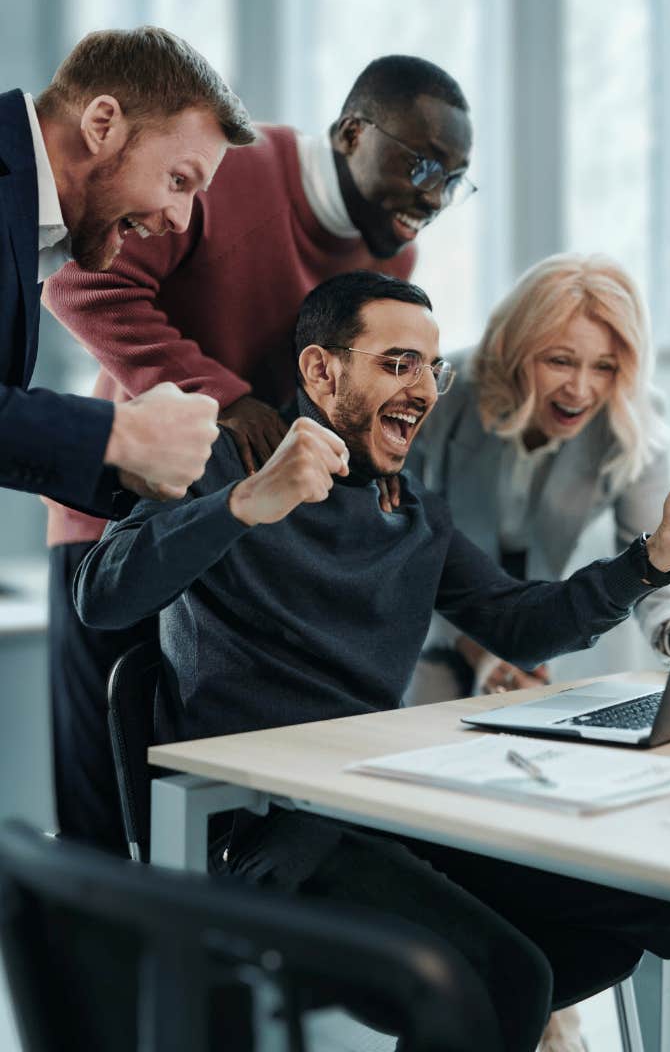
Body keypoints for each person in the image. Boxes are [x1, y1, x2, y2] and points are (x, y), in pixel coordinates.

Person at [75, 272, 670, 1052]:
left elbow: (520, 623)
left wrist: (656, 555)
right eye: (398, 364)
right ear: (321, 372)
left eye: (432, 369)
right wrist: (242, 504)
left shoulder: (410, 508)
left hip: (384, 810)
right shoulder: (234, 461)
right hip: (268, 840)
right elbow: (101, 596)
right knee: (507, 977)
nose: (424, 390)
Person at [41, 54, 474, 854]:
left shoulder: (394, 260)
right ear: (350, 134)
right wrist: (224, 394)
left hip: (249, 532)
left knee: (235, 823)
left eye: (454, 179)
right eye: (420, 165)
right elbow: (79, 286)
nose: (434, 196)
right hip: (126, 516)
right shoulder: (232, 175)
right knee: (106, 817)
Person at [404, 254, 670, 1051]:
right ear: (513, 349)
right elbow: (415, 558)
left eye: (606, 365)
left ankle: (535, 1003)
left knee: (538, 816)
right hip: (430, 633)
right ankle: (518, 1005)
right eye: (560, 359)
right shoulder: (444, 398)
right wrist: (484, 652)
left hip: (539, 639)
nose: (581, 388)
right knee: (452, 822)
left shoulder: (632, 415)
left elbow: (656, 554)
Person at [1, 25, 255, 517]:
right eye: (178, 180)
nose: (181, 220)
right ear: (101, 124)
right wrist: (118, 433)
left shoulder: (30, 222)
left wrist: (128, 464)